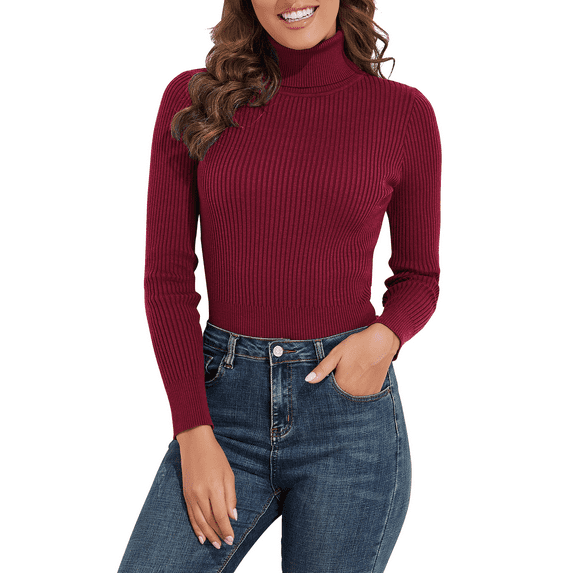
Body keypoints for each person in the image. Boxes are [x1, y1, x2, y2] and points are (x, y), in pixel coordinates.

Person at [117, 0, 441, 571]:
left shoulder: (403, 113)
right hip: (223, 411)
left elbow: (419, 277)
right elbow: (167, 279)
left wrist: (383, 340)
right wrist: (192, 430)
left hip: (348, 420)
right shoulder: (195, 100)